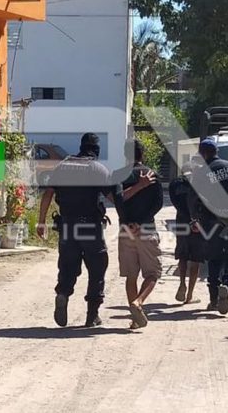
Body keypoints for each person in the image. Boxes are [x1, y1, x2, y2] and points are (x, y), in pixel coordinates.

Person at [37, 133, 131, 328]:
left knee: (67, 266)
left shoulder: (62, 166)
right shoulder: (98, 169)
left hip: (67, 226)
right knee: (97, 268)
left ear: (80, 147)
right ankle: (92, 315)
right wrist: (128, 216)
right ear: (96, 150)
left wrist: (41, 222)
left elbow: (48, 193)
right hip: (90, 227)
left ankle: (63, 294)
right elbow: (114, 197)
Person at [187, 137, 228, 315]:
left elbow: (193, 198)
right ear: (216, 151)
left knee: (214, 258)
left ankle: (213, 300)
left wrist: (194, 218)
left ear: (203, 154)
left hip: (210, 221)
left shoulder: (200, 173)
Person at [116, 139, 164, 329]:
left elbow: (118, 202)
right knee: (152, 273)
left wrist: (128, 222)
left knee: (131, 276)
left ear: (125, 155)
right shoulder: (152, 174)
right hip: (146, 229)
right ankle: (138, 302)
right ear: (142, 154)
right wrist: (141, 221)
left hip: (125, 230)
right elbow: (158, 204)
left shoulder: (118, 175)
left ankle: (135, 319)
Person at [169, 160, 201, 304]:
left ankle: (182, 283)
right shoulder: (199, 184)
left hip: (181, 221)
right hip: (197, 223)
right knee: (196, 259)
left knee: (183, 256)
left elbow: (174, 202)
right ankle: (190, 295)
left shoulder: (174, 184)